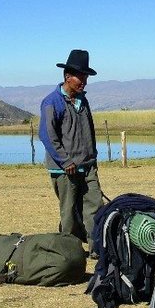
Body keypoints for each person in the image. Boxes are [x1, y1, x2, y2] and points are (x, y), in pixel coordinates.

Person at [39, 49, 103, 250]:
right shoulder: (52, 102)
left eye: (85, 76)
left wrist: (92, 156)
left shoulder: (83, 101)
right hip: (65, 168)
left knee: (95, 206)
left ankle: (96, 248)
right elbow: (47, 135)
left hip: (87, 165)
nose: (84, 80)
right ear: (68, 76)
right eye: (80, 76)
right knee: (69, 211)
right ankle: (70, 250)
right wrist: (65, 161)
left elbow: (89, 131)